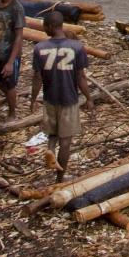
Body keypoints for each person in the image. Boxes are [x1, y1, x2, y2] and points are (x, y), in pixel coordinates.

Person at [28, 9, 92, 176]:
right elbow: (80, 77)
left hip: (50, 99)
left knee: (52, 132)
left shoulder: (40, 48)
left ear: (50, 26)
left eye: (44, 26)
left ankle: (50, 149)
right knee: (66, 142)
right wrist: (89, 98)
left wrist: (33, 99)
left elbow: (37, 78)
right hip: (69, 99)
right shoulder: (77, 47)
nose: (44, 29)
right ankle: (59, 178)